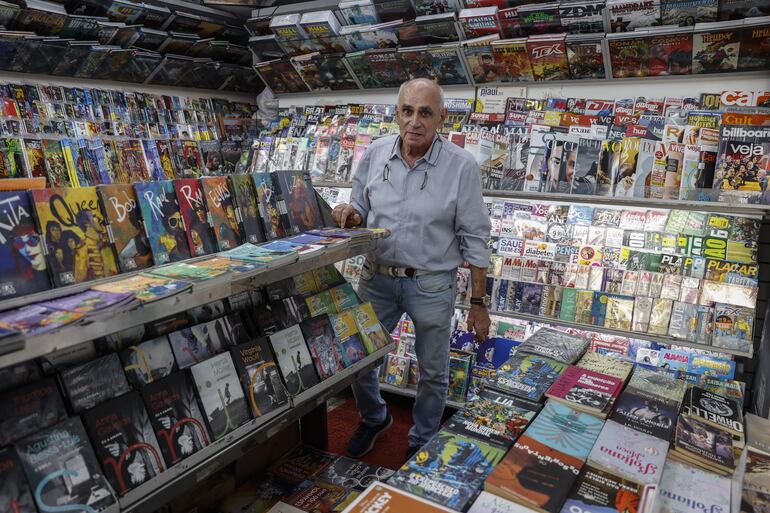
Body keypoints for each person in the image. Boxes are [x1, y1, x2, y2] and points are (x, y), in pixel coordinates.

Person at [331, 78, 491, 459]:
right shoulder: (374, 154)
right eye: (407, 111)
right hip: (377, 277)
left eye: (425, 113)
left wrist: (478, 302)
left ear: (441, 118)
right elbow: (359, 211)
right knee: (357, 356)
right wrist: (348, 215)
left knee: (433, 373)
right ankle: (374, 417)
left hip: (432, 284)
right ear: (397, 113)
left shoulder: (461, 167)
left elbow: (476, 238)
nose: (414, 122)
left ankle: (421, 443)